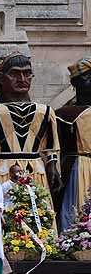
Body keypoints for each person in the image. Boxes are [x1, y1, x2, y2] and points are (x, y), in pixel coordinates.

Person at [0, 53, 61, 193]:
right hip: (3, 172)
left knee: (39, 211)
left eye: (27, 73)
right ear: (2, 79)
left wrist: (53, 168)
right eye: (14, 74)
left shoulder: (45, 111)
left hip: (36, 172)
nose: (22, 79)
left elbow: (51, 148)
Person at [58, 57, 91, 230]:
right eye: (88, 76)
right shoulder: (62, 114)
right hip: (75, 169)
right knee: (74, 210)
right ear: (76, 82)